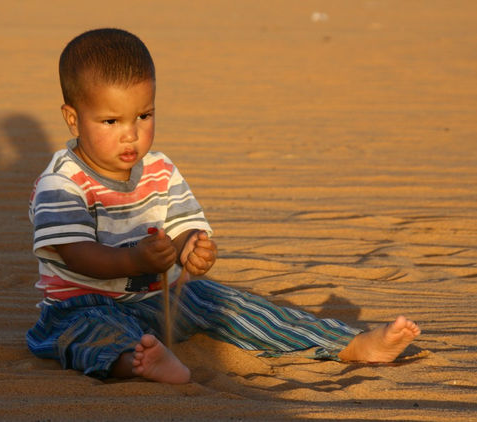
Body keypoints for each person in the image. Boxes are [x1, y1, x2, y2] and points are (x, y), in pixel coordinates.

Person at [26, 28, 420, 384]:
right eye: (111, 122)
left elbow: (183, 228)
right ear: (73, 120)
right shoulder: (61, 182)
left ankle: (350, 344)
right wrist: (135, 261)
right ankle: (140, 363)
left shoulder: (159, 169)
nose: (131, 134)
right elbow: (76, 254)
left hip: (159, 298)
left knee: (235, 306)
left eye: (144, 116)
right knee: (90, 336)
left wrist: (193, 248)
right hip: (82, 305)